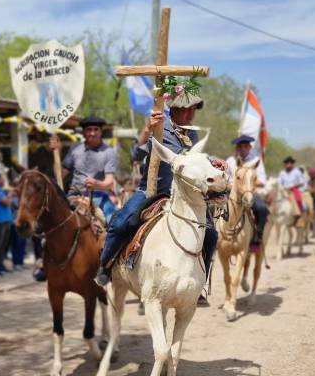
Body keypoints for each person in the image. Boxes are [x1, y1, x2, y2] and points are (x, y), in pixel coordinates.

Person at [96, 91, 226, 286]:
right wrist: (147, 130)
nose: (191, 114)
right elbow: (136, 157)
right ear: (173, 109)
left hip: (183, 194)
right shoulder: (159, 128)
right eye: (186, 109)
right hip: (152, 191)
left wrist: (213, 163)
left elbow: (194, 160)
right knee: (122, 223)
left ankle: (201, 282)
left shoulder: (191, 133)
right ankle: (105, 266)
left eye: (193, 109)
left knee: (211, 235)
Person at [49, 114, 119, 223]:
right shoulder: (75, 149)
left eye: (96, 129)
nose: (92, 133)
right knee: (49, 221)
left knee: (114, 222)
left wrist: (96, 184)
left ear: (101, 132)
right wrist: (56, 152)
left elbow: (109, 183)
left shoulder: (109, 152)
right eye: (89, 130)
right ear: (84, 133)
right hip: (73, 196)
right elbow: (60, 175)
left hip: (98, 197)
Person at [226, 135, 269, 250]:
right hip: (232, 193)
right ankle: (216, 236)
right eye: (240, 146)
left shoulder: (256, 160)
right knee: (213, 208)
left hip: (250, 192)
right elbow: (225, 178)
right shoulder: (230, 161)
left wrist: (250, 183)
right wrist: (233, 186)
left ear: (249, 147)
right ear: (237, 148)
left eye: (245, 146)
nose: (243, 149)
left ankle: (257, 238)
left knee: (262, 209)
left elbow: (263, 181)